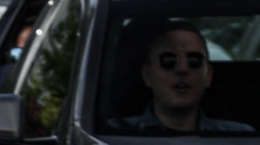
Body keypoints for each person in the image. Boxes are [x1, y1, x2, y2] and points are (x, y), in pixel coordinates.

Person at [106, 21, 252, 135]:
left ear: (208, 75)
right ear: (147, 75)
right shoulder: (110, 135)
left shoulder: (241, 137)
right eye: (168, 61)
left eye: (194, 61)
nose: (182, 69)